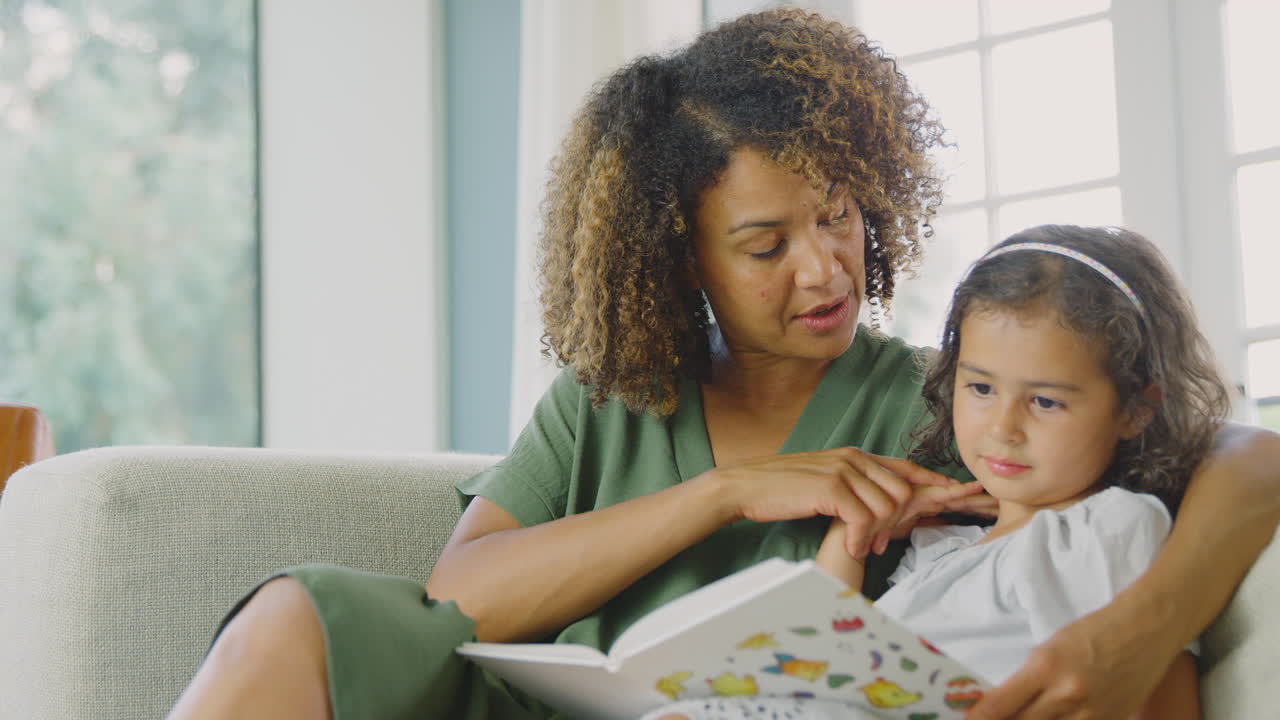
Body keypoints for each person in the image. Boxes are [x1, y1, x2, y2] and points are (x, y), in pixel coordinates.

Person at [168, 9, 1280, 720]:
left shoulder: (938, 399)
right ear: (675, 252)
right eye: (764, 246)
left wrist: (1130, 635)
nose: (824, 269)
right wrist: (723, 495)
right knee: (294, 614)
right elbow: (453, 597)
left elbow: (1233, 455)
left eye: (837, 217)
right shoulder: (607, 403)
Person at [646, 225, 1223, 720]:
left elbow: (1154, 680)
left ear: (1135, 409)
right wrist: (860, 525)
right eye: (980, 388)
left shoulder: (1109, 527)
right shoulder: (944, 550)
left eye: (1045, 402)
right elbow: (824, 641)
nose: (1003, 427)